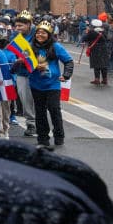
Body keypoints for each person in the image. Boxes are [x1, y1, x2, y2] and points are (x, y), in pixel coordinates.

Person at [29, 20, 73, 150]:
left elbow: (69, 61)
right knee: (40, 111)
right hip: (36, 84)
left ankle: (59, 135)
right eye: (38, 32)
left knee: (54, 109)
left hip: (52, 84)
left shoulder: (56, 46)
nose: (40, 35)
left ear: (49, 35)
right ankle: (43, 138)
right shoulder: (29, 47)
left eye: (43, 33)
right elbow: (24, 65)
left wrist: (66, 75)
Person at [11, 11, 39, 136]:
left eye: (20, 26)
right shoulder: (15, 36)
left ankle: (41, 122)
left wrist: (27, 57)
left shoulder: (38, 34)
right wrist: (16, 61)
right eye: (16, 26)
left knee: (39, 99)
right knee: (25, 99)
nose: (18, 28)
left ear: (29, 24)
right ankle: (31, 123)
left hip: (38, 72)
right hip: (22, 72)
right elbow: (11, 51)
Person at [83, 18, 112, 86]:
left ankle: (97, 79)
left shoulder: (91, 32)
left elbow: (84, 38)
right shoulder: (104, 31)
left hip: (95, 49)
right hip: (104, 49)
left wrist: (86, 32)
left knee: (96, 65)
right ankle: (105, 79)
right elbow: (108, 38)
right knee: (104, 65)